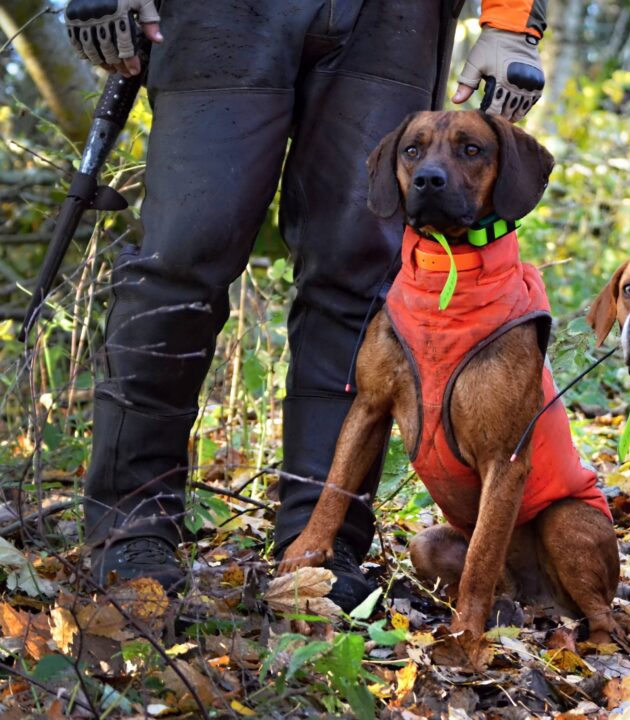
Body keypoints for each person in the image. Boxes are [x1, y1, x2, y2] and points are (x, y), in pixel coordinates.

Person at [63, 0, 549, 610]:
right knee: (184, 249)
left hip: (395, 16)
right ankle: (130, 529)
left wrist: (512, 22)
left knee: (358, 269)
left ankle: (321, 545)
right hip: (223, 16)